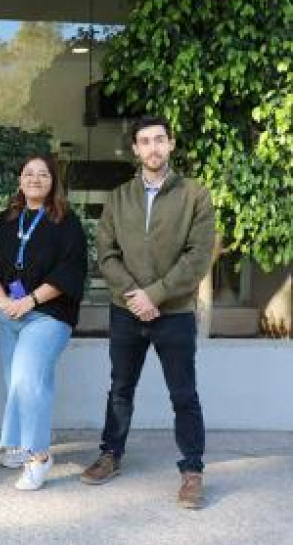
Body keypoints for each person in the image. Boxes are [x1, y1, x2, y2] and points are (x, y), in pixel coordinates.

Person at [80, 116, 216, 509]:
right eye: (145, 141)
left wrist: (154, 295)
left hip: (174, 312)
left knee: (183, 394)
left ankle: (192, 470)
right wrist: (135, 297)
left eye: (159, 139)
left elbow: (197, 256)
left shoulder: (195, 195)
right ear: (135, 149)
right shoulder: (119, 197)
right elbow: (106, 254)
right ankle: (110, 454)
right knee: (120, 387)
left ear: (171, 144)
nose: (153, 147)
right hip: (126, 311)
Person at [0, 154, 88, 490]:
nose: (35, 179)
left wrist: (31, 300)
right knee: (19, 383)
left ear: (53, 182)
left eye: (43, 174)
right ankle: (21, 442)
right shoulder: (4, 221)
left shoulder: (67, 222)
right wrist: (3, 301)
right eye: (29, 173)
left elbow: (70, 271)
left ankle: (39, 457)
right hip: (9, 314)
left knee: (28, 380)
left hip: (48, 315)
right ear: (20, 180)